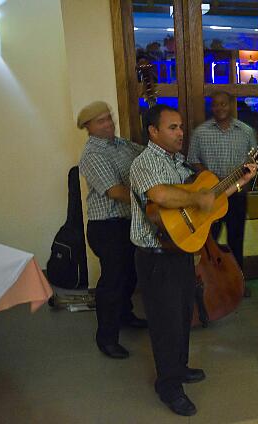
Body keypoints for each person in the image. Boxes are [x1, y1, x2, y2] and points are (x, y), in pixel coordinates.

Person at [130, 104, 257, 416]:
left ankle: (180, 367)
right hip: (156, 257)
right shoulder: (145, 162)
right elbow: (160, 196)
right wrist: (196, 198)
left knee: (184, 314)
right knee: (165, 323)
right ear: (153, 132)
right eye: (172, 127)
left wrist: (240, 180)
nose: (180, 133)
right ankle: (168, 386)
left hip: (182, 253)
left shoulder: (178, 162)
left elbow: (208, 200)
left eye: (181, 127)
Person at [77, 101, 147, 360]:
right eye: (101, 121)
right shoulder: (92, 155)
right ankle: (106, 338)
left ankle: (125, 315)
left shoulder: (122, 144)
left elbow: (147, 157)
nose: (108, 124)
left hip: (127, 222)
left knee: (130, 274)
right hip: (106, 227)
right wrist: (153, 196)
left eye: (109, 118)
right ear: (88, 127)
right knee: (113, 282)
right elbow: (115, 191)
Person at [188, 91, 258, 296]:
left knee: (237, 240)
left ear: (231, 106)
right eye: (215, 104)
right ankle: (210, 285)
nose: (219, 108)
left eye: (223, 104)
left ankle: (238, 284)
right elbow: (193, 160)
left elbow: (253, 163)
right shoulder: (200, 133)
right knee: (209, 242)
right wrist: (210, 179)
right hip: (209, 197)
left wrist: (244, 179)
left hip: (236, 194)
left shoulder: (246, 131)